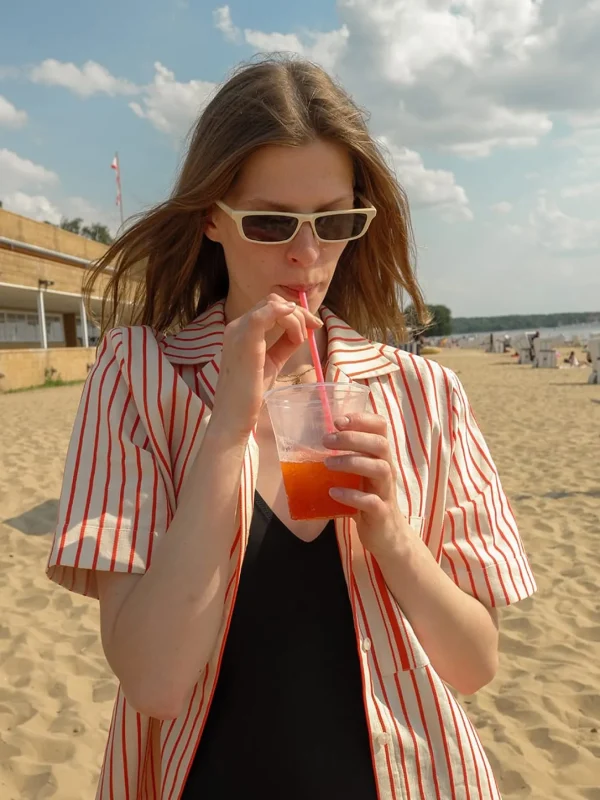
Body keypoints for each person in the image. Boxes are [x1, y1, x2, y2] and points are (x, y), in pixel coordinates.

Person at [47, 56, 536, 800]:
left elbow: (474, 666)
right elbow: (152, 680)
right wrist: (224, 433)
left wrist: (392, 533)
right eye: (271, 221)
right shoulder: (139, 379)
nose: (307, 255)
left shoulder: (427, 395)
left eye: (334, 222)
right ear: (212, 217)